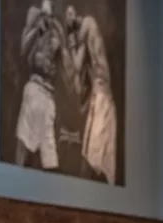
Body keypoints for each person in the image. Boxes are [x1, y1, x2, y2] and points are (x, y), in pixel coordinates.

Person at [64, 5, 118, 185]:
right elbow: (78, 80)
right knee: (91, 155)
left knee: (96, 156)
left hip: (103, 98)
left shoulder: (88, 23)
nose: (71, 16)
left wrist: (71, 42)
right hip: (100, 97)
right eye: (68, 16)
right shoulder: (84, 39)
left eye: (71, 13)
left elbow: (77, 66)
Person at [14, 0, 64, 170]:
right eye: (45, 15)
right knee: (23, 144)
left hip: (48, 98)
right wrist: (37, 30)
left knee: (49, 158)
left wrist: (58, 40)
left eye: (50, 16)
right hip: (34, 89)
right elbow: (24, 50)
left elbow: (63, 63)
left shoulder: (56, 32)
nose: (47, 18)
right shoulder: (34, 22)